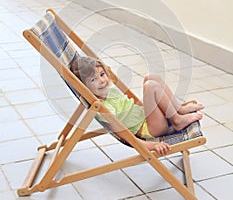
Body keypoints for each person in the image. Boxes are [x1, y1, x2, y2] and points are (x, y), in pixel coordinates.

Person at [70, 56, 204, 155]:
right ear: (84, 87)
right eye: (93, 79)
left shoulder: (110, 91)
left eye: (102, 74)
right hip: (151, 128)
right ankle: (177, 120)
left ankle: (178, 110)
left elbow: (133, 107)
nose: (102, 81)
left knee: (151, 78)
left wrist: (149, 106)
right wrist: (151, 145)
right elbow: (125, 136)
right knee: (150, 87)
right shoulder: (103, 109)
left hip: (145, 117)